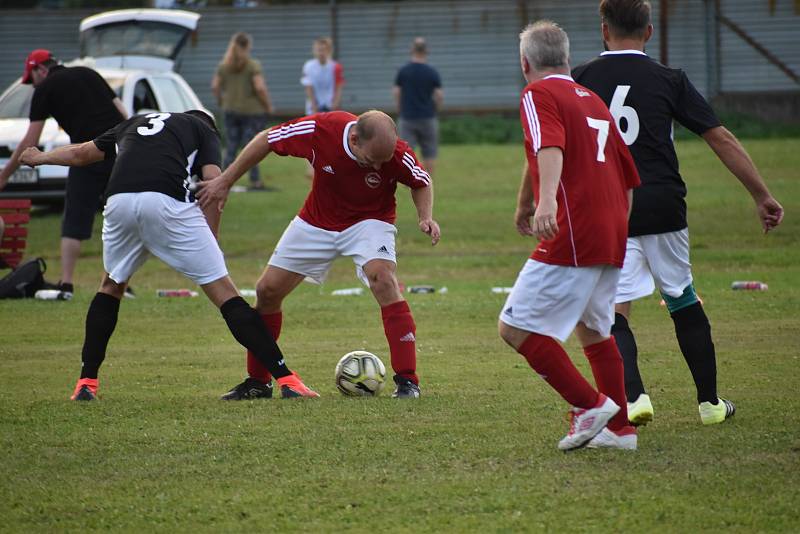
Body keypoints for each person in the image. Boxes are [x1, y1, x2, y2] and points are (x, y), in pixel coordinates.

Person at [572, 0, 784, 426]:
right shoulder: (669, 79)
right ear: (649, 31)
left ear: (603, 30)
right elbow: (720, 137)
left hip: (609, 207)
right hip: (662, 202)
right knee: (682, 297)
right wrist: (761, 194)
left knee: (615, 310)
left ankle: (634, 397)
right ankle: (709, 403)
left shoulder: (582, 79)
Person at [19, 110, 318, 401]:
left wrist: (39, 157)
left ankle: (86, 382)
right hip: (165, 203)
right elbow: (212, 186)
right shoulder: (204, 129)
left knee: (110, 286)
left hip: (119, 201)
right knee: (225, 293)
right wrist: (211, 240)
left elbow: (81, 154)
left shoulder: (135, 123)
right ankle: (287, 380)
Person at [197, 110, 440, 400]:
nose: (378, 165)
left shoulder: (396, 153)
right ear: (354, 139)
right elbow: (266, 139)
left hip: (369, 222)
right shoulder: (320, 130)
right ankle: (258, 382)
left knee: (383, 279)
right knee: (267, 291)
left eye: (383, 160)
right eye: (372, 158)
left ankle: (408, 382)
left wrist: (426, 216)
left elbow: (420, 181)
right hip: (316, 221)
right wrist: (225, 180)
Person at [498, 21, 641, 451]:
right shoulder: (592, 100)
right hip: (613, 226)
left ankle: (589, 406)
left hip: (574, 226)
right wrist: (615, 226)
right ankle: (621, 432)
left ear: (525, 63)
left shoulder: (537, 94)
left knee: (514, 327)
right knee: (595, 328)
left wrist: (546, 206)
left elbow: (549, 147)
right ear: (566, 59)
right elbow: (628, 176)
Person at [0, 50, 128, 298]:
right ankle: (122, 281)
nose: (32, 84)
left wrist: (5, 175)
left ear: (41, 70)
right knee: (120, 215)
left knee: (75, 220)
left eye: (31, 78)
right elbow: (123, 112)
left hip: (85, 153)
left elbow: (31, 139)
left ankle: (67, 283)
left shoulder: (45, 88)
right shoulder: (89, 73)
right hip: (119, 149)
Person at [211, 32, 274, 191]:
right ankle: (255, 181)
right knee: (252, 147)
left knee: (231, 146)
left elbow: (215, 87)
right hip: (252, 111)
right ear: (248, 46)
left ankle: (223, 180)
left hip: (230, 109)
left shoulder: (224, 66)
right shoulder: (252, 65)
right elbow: (260, 87)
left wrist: (221, 101)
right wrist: (268, 106)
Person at [393, 37, 443, 176]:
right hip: (428, 117)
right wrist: (436, 109)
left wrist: (399, 108)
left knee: (406, 152)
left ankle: (409, 180)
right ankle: (428, 181)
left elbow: (397, 92)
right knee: (429, 152)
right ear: (426, 51)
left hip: (407, 117)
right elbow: (439, 95)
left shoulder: (403, 71)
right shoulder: (432, 71)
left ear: (412, 50)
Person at [301, 37, 344, 115]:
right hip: (314, 108)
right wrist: (314, 105)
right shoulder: (308, 66)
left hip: (330, 106)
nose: (321, 53)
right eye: (319, 50)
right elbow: (308, 87)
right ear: (314, 51)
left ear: (329, 51)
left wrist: (335, 104)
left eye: (324, 50)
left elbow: (338, 87)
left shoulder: (336, 67)